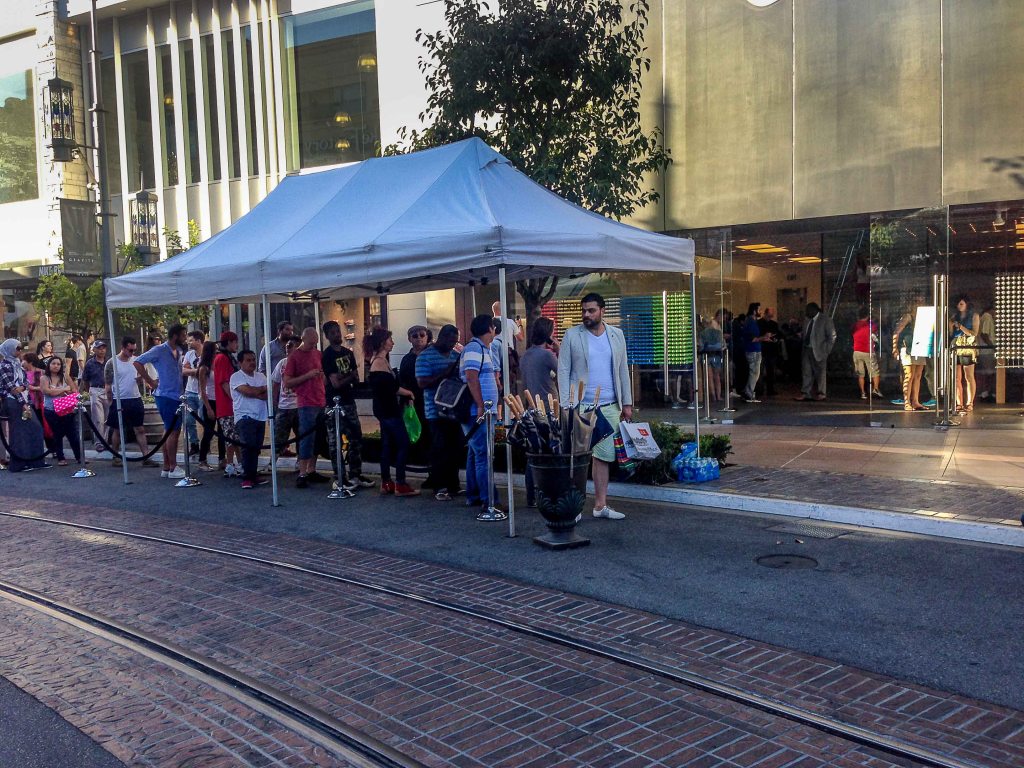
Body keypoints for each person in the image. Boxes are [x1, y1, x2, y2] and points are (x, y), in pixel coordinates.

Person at [557, 293, 632, 521]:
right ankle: (575, 506)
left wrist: (627, 403)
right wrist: (566, 404)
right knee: (579, 457)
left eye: (591, 310)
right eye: (584, 310)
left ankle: (601, 505)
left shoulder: (616, 335)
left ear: (602, 310)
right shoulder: (572, 335)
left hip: (609, 404)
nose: (586, 315)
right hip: (581, 404)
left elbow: (623, 370)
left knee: (603, 457)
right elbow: (563, 370)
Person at [367, 327, 419, 496]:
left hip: (383, 409)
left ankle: (387, 482)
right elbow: (392, 387)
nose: (393, 342)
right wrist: (409, 392)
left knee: (387, 445)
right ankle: (400, 483)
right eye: (390, 339)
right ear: (383, 342)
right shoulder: (380, 362)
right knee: (403, 443)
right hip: (388, 409)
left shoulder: (379, 360)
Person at [322, 320, 373, 490]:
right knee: (335, 442)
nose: (337, 335)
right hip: (334, 403)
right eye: (333, 332)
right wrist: (349, 377)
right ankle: (340, 477)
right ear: (327, 336)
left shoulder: (347, 353)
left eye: (338, 331)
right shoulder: (327, 355)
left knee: (356, 438)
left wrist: (349, 377)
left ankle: (355, 474)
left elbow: (355, 375)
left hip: (349, 401)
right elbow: (335, 383)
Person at [416, 324, 462, 501]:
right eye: (450, 341)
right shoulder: (425, 357)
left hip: (454, 410)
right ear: (441, 337)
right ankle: (439, 486)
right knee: (439, 448)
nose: (452, 345)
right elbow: (422, 383)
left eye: (455, 342)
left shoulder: (456, 355)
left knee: (454, 448)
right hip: (434, 411)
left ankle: (453, 484)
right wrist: (445, 373)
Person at [135, 324, 188, 478]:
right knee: (174, 431)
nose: (185, 338)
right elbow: (138, 362)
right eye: (183, 335)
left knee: (169, 430)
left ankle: (167, 466)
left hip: (176, 394)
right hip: (166, 395)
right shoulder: (159, 349)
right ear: (175, 335)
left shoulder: (178, 351)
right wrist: (151, 381)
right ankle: (173, 466)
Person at [460, 314, 500, 515]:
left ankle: (474, 494)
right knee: (483, 454)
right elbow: (471, 377)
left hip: (484, 410)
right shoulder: (475, 349)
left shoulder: (484, 349)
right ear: (490, 329)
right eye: (493, 328)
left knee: (475, 453)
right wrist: (480, 406)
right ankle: (488, 499)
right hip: (478, 412)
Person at [284, 327, 330, 489]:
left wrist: (321, 379)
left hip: (320, 400)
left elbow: (322, 373)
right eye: (311, 342)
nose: (314, 345)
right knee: (306, 437)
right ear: (304, 340)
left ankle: (312, 469)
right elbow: (287, 381)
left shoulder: (317, 354)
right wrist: (307, 376)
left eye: (316, 342)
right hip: (306, 402)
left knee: (318, 437)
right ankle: (302, 472)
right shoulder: (295, 356)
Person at [520, 317, 559, 506]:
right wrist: (559, 350)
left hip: (531, 408)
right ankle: (548, 493)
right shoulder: (547, 355)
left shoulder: (526, 355)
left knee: (534, 453)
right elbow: (564, 372)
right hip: (549, 407)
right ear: (549, 334)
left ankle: (532, 495)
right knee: (551, 452)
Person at [104, 336, 157, 468]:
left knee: (140, 428)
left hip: (135, 398)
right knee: (117, 429)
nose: (132, 353)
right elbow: (108, 384)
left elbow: (141, 378)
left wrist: (141, 379)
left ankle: (146, 456)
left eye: (134, 350)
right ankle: (116, 456)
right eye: (130, 350)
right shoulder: (112, 362)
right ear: (123, 348)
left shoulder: (137, 361)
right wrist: (110, 401)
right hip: (119, 399)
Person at [0, 339, 50, 472]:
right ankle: (19, 464)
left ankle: (36, 460)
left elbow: (26, 382)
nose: (20, 351)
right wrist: (23, 403)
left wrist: (23, 390)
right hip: (12, 401)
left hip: (23, 399)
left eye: (21, 348)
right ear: (10, 349)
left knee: (35, 428)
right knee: (19, 433)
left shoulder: (17, 364)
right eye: (17, 348)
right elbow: (11, 387)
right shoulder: (4, 365)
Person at [230, 350, 270, 489]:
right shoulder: (236, 377)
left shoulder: (261, 376)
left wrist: (257, 391)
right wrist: (259, 390)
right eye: (248, 360)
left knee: (256, 447)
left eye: (253, 359)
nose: (252, 362)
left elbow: (266, 394)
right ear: (240, 362)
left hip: (260, 416)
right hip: (245, 417)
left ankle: (253, 474)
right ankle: (247, 477)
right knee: (248, 446)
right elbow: (247, 391)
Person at [399, 325, 433, 482]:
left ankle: (434, 474)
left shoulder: (432, 355)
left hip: (432, 402)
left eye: (421, 335)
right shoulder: (407, 359)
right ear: (409, 339)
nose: (418, 338)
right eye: (414, 336)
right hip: (414, 403)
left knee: (433, 438)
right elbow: (403, 382)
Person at [39, 355, 81, 466]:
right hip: (51, 410)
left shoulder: (65, 376)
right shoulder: (44, 378)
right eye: (53, 363)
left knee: (73, 434)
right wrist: (63, 389)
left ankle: (79, 457)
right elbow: (47, 391)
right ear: (49, 365)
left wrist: (57, 390)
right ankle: (60, 458)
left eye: (58, 364)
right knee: (57, 434)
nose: (56, 366)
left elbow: (74, 389)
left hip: (67, 409)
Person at [212, 331, 242, 476]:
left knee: (235, 437)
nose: (237, 344)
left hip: (228, 403)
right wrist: (235, 399)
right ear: (229, 342)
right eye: (235, 341)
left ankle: (239, 463)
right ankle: (230, 464)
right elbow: (224, 382)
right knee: (231, 436)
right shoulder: (223, 359)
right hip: (227, 404)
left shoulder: (226, 357)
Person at [794, 303, 836, 401]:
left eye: (808, 310)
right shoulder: (807, 320)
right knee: (806, 372)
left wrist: (827, 350)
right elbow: (806, 333)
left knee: (820, 373)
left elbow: (832, 336)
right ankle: (805, 393)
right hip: (807, 349)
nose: (806, 312)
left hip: (820, 350)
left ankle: (821, 393)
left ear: (814, 310)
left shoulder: (825, 319)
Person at [892, 295, 926, 411]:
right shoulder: (908, 316)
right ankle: (907, 401)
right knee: (909, 375)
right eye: (916, 302)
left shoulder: (921, 317)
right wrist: (894, 348)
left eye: (921, 302)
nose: (919, 304)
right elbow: (896, 331)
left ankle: (915, 401)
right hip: (908, 348)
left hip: (920, 347)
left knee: (917, 375)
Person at [196, 340, 225, 471]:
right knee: (208, 432)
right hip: (210, 401)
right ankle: (202, 459)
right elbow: (202, 391)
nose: (217, 352)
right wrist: (208, 408)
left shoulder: (216, 364)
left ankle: (222, 459)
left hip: (220, 400)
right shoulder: (204, 368)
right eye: (215, 350)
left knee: (222, 431)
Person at [270, 336, 300, 462]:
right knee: (279, 436)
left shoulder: (302, 364)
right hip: (284, 406)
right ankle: (273, 461)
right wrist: (275, 402)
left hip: (299, 405)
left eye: (290, 345)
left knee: (301, 435)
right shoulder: (282, 363)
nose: (287, 348)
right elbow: (276, 384)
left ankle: (301, 462)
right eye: (287, 346)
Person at [951, 295, 981, 413]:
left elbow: (974, 333)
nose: (959, 306)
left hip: (968, 347)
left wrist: (961, 327)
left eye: (962, 304)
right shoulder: (954, 316)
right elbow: (950, 333)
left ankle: (970, 402)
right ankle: (959, 402)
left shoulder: (974, 316)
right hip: (956, 346)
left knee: (969, 376)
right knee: (957, 377)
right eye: (958, 304)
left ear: (967, 304)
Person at [80, 340, 109, 452]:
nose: (102, 350)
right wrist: (88, 391)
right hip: (95, 389)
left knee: (107, 418)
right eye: (99, 348)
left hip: (108, 390)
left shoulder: (109, 362)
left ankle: (105, 441)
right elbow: (85, 379)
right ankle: (98, 442)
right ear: (95, 350)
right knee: (98, 419)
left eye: (103, 348)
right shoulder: (90, 363)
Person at [181, 330, 205, 457]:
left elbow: (207, 372)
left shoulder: (207, 354)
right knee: (189, 420)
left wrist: (192, 370)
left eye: (190, 340)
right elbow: (183, 370)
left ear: (199, 341)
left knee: (204, 419)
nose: (188, 342)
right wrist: (197, 371)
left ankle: (206, 445)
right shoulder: (189, 354)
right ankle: (194, 444)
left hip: (203, 391)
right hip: (190, 390)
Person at [741, 303, 772, 403]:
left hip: (755, 349)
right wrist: (763, 338)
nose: (761, 311)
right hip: (753, 350)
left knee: (755, 373)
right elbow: (752, 338)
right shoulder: (750, 322)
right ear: (754, 311)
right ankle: (748, 393)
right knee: (754, 373)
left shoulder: (751, 321)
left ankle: (748, 392)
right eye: (759, 310)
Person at [851, 307, 882, 400]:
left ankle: (863, 393)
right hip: (868, 351)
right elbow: (875, 337)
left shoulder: (855, 325)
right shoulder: (871, 325)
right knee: (874, 371)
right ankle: (875, 389)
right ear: (868, 316)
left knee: (861, 374)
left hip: (857, 351)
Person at [699, 315, 724, 402]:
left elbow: (701, 347)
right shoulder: (718, 333)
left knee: (709, 377)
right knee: (717, 376)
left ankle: (713, 396)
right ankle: (718, 396)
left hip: (706, 356)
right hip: (716, 356)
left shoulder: (702, 333)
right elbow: (722, 345)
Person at [757, 307, 781, 397]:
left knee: (771, 371)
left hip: (771, 349)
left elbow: (777, 334)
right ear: (766, 313)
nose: (772, 315)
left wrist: (774, 339)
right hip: (763, 349)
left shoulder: (773, 324)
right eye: (771, 313)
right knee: (761, 371)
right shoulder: (759, 323)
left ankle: (770, 389)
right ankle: (760, 389)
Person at [976, 304, 995, 403]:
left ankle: (986, 392)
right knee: (988, 373)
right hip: (987, 350)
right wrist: (992, 346)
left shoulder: (984, 316)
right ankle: (986, 393)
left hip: (984, 350)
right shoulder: (987, 317)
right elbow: (984, 334)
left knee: (986, 373)